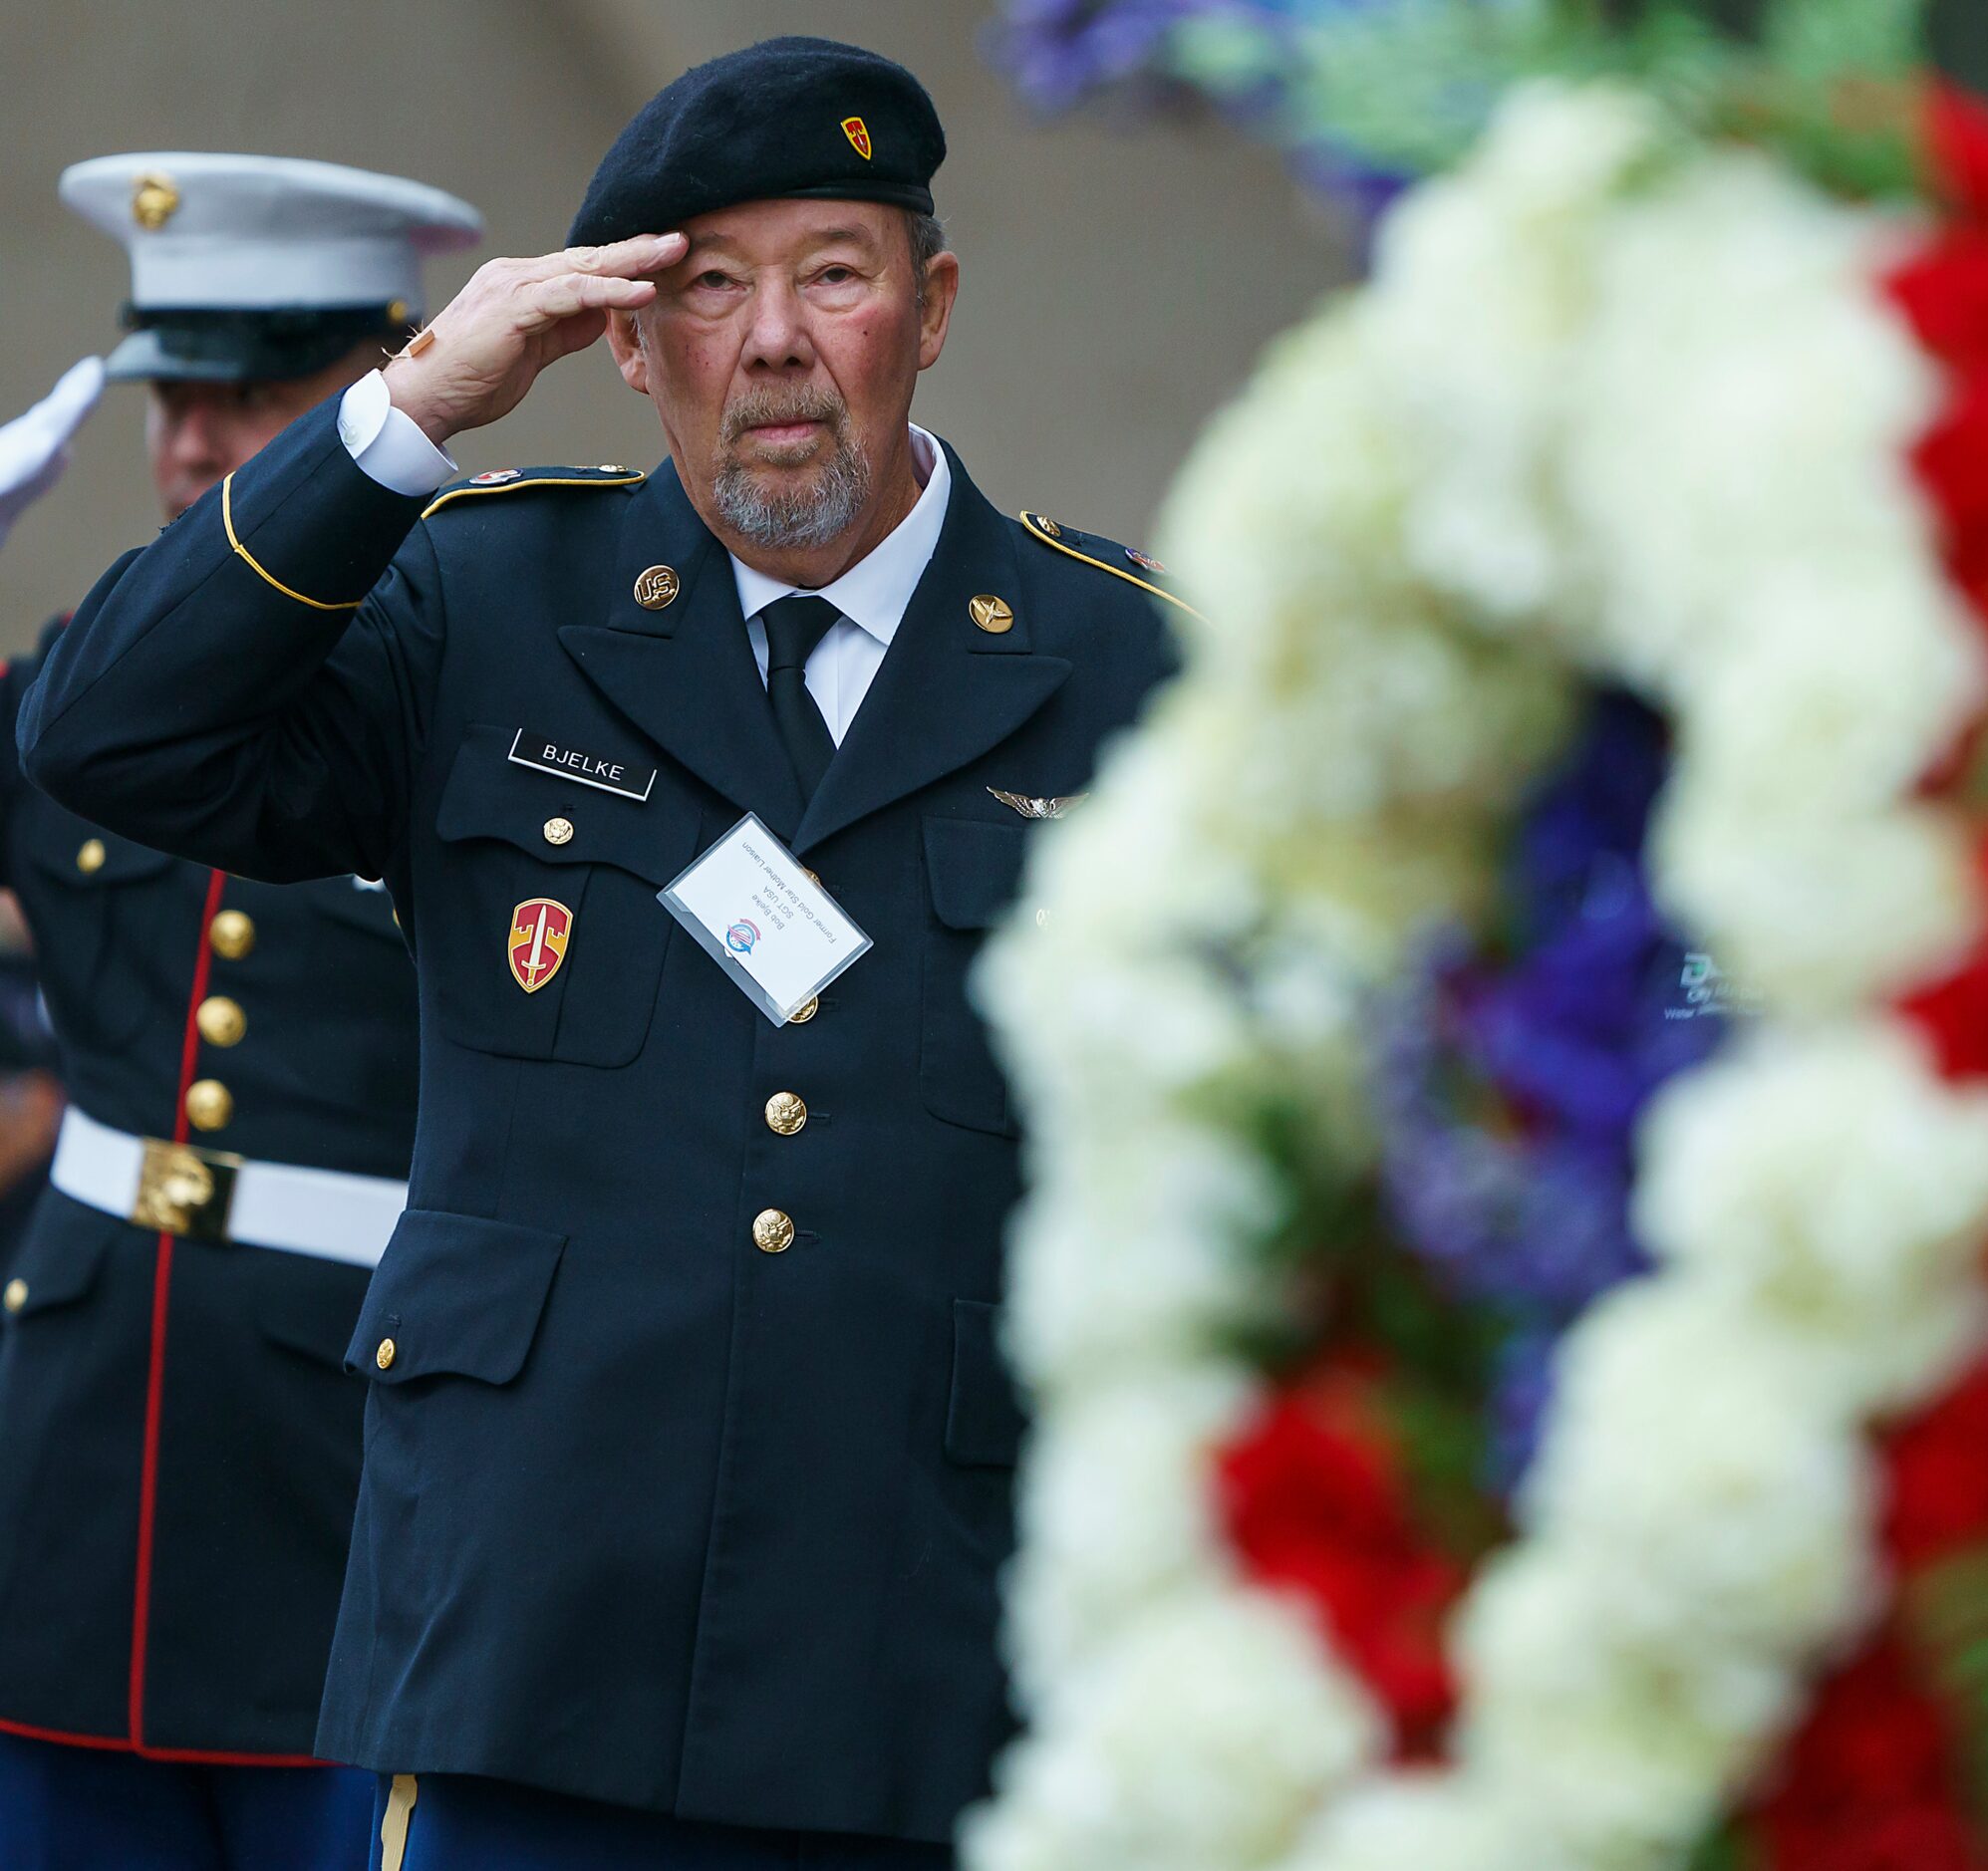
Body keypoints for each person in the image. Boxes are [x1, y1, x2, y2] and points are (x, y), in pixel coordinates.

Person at [17, 37, 1180, 1868]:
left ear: (932, 307)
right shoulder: (483, 602)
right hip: (529, 1654)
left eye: (836, 272)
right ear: (626, 346)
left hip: (925, 1667)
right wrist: (402, 414)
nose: (775, 340)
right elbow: (109, 739)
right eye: (708, 286)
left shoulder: (1125, 668)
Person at [0, 154, 477, 1870]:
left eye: (254, 394)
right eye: (172, 398)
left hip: (347, 1486)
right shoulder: (78, 678)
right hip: (76, 1487)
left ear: (383, 389)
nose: (198, 443)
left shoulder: (478, 686)